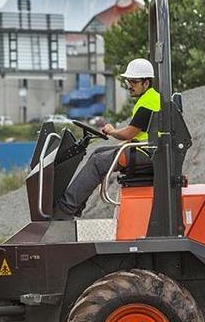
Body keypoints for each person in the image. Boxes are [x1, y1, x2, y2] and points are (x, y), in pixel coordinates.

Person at [55, 58, 160, 217]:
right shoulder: (151, 98)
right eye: (128, 81)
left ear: (146, 83)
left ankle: (64, 209)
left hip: (146, 154)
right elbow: (138, 132)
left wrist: (111, 131)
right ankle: (76, 207)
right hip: (146, 150)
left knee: (98, 162)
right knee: (97, 153)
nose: (129, 85)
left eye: (134, 82)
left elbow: (128, 133)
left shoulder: (148, 103)